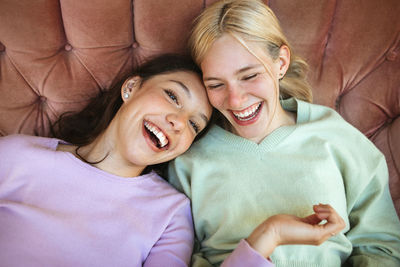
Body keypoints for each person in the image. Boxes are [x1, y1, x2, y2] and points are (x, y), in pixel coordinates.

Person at [168, 1, 400, 266]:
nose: (235, 100)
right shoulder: (189, 161)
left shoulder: (334, 137)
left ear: (281, 62)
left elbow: (381, 247)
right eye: (216, 84)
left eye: (249, 76)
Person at [0, 54, 213, 267]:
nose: (179, 122)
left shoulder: (171, 214)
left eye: (194, 125)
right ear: (131, 87)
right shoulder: (17, 154)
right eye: (172, 96)